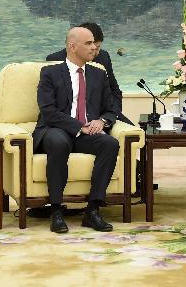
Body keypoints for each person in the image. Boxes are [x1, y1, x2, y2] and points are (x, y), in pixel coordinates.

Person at [35, 26, 121, 234]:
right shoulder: (50, 73)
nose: (94, 48)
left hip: (86, 132)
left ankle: (93, 210)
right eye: (88, 43)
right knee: (59, 142)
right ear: (72, 47)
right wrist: (79, 127)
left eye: (94, 43)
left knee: (110, 144)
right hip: (57, 129)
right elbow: (48, 111)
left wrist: (102, 121)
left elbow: (111, 109)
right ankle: (56, 211)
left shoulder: (99, 75)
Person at [46, 22, 131, 125]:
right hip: (69, 117)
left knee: (136, 131)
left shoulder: (103, 57)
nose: (95, 50)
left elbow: (114, 89)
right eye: (90, 44)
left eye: (98, 47)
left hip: (102, 114)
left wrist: (112, 114)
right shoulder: (55, 60)